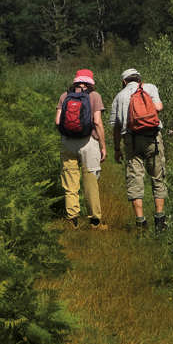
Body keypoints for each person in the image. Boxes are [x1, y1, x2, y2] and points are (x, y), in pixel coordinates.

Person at [110, 68, 167, 231]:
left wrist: (116, 148)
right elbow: (159, 107)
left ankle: (140, 222)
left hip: (131, 141)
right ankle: (160, 221)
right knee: (158, 176)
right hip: (152, 138)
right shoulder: (150, 88)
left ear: (124, 82)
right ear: (139, 79)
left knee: (135, 179)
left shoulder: (119, 97)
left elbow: (115, 127)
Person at [56, 68, 108, 230]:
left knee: (70, 183)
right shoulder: (95, 96)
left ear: (76, 81)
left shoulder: (65, 96)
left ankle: (72, 219)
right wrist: (103, 146)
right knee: (90, 182)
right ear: (90, 82)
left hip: (67, 143)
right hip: (88, 143)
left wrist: (67, 135)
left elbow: (58, 121)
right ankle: (95, 222)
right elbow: (98, 122)